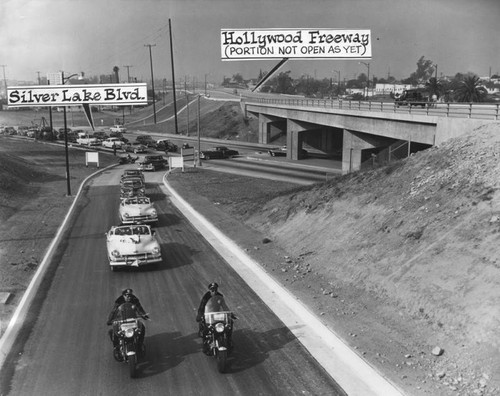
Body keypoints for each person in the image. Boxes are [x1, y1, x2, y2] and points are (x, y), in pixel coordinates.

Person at [107, 288, 149, 361]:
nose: (129, 297)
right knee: (114, 331)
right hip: (122, 321)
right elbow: (114, 311)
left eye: (130, 295)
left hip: (132, 321)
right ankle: (116, 348)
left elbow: (139, 308)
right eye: (127, 295)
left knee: (142, 327)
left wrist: (144, 315)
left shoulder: (134, 300)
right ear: (123, 295)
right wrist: (110, 320)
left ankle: (139, 344)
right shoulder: (119, 301)